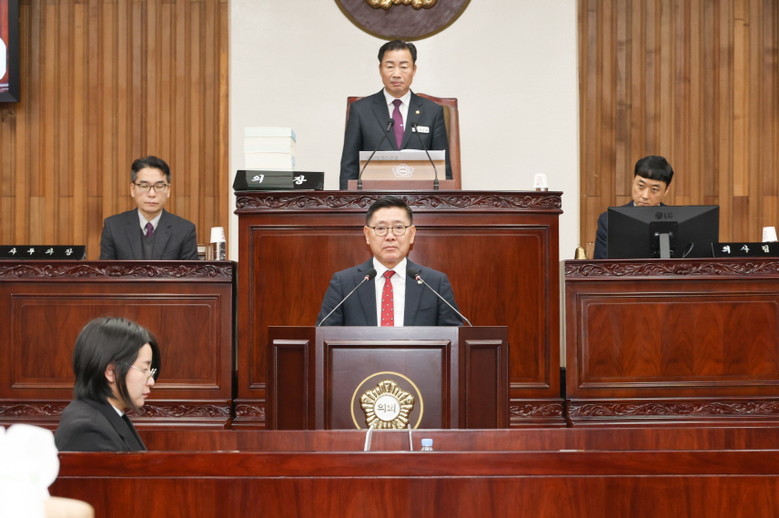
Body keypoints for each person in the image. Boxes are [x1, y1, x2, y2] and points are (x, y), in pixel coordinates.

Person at [317, 196, 463, 326]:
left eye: (399, 227)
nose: (390, 236)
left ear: (412, 234)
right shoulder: (344, 283)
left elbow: (454, 337)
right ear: (367, 235)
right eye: (381, 228)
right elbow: (324, 335)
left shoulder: (435, 283)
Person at [339, 40, 452, 189]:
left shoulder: (432, 111)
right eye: (390, 66)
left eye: (404, 67)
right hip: (372, 198)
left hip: (420, 198)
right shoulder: (361, 110)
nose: (396, 74)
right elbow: (349, 168)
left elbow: (443, 170)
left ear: (414, 69)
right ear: (380, 69)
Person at [55, 317, 161, 451]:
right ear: (111, 372)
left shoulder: (109, 415)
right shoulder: (88, 431)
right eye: (144, 369)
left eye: (151, 371)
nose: (151, 382)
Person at [99, 155, 198, 260]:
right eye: (144, 186)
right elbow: (106, 270)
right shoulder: (113, 227)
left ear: (168, 190)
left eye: (159, 186)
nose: (151, 194)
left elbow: (191, 270)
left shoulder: (184, 230)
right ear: (133, 189)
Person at [593, 155, 674, 259]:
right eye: (641, 186)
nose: (645, 196)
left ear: (666, 190)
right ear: (633, 181)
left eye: (654, 189)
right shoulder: (609, 220)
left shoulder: (675, 220)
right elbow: (601, 265)